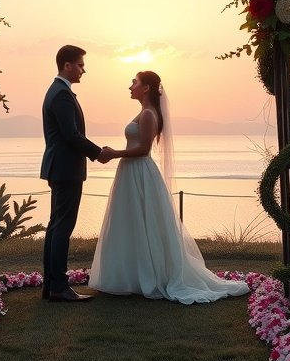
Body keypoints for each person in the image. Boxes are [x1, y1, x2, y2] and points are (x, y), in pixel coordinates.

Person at [89, 70, 250, 304]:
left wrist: (115, 154)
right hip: (132, 171)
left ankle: (145, 276)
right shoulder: (145, 112)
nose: (130, 86)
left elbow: (143, 149)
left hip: (138, 171)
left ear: (146, 88)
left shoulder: (147, 114)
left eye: (134, 82)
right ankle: (133, 275)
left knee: (141, 221)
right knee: (132, 222)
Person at [41, 44, 107, 302]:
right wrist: (98, 152)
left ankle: (51, 285)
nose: (83, 70)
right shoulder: (61, 95)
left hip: (61, 168)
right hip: (66, 169)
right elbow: (71, 134)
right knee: (62, 227)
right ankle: (58, 286)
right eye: (80, 65)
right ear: (66, 65)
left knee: (56, 226)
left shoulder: (58, 92)